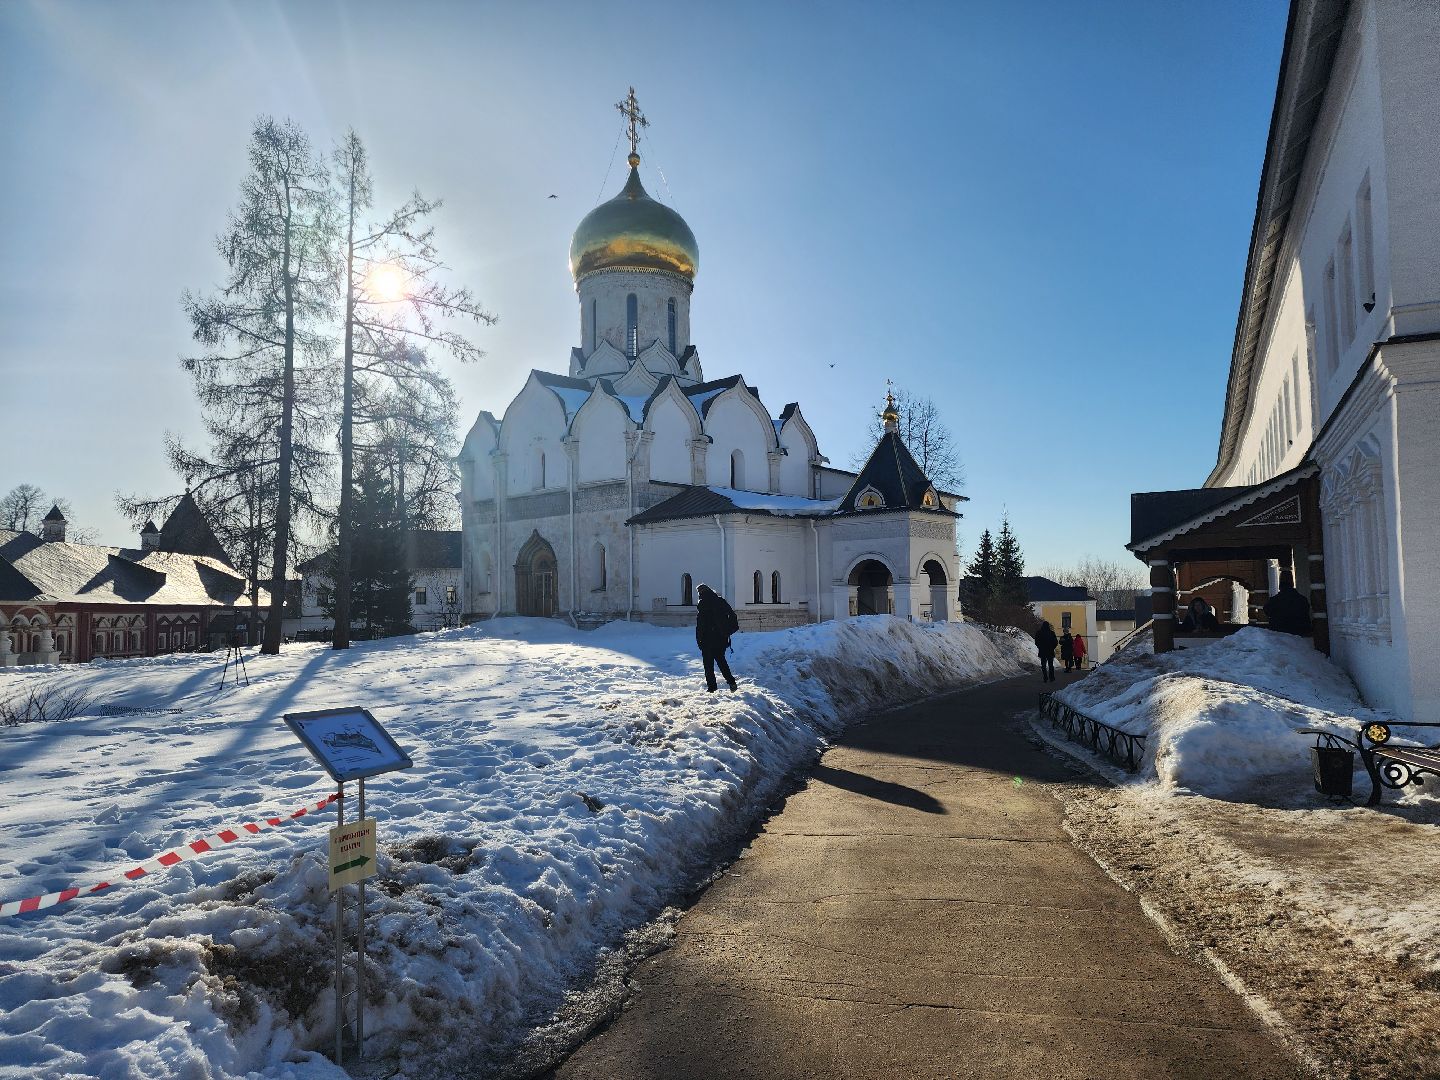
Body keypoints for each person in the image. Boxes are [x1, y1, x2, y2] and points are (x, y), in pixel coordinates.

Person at [695, 583, 739, 692]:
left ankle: (712, 688)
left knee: (708, 665)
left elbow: (700, 625)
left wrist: (699, 640)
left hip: (706, 639)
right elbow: (732, 615)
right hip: (720, 638)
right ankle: (731, 682)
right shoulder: (720, 601)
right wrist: (728, 630)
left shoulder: (702, 604)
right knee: (721, 661)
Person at [1263, 570, 1313, 636]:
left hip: (1280, 635)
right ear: (1292, 583)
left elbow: (1266, 610)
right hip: (1300, 634)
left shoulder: (1274, 600)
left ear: (1280, 584)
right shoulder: (1302, 599)